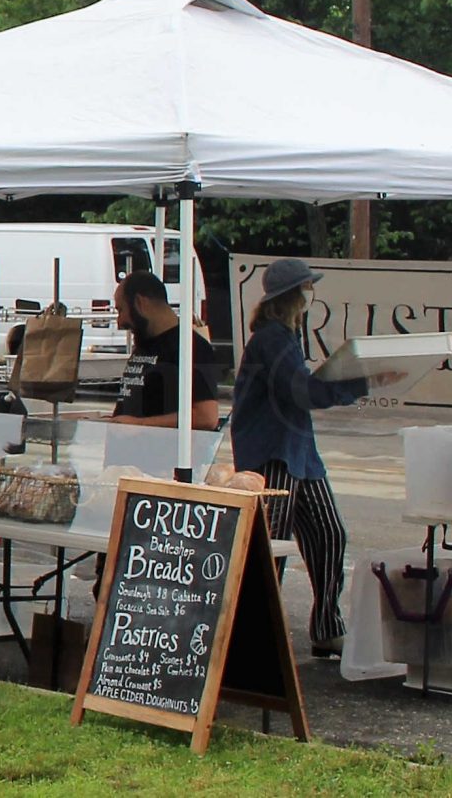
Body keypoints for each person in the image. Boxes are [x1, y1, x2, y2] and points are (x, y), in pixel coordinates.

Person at [230, 257, 374, 659]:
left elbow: (301, 392)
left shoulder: (282, 337)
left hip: (295, 449)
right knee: (268, 547)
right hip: (271, 452)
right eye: (307, 289)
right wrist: (358, 384)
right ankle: (250, 633)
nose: (310, 296)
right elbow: (303, 392)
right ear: (294, 297)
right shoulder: (272, 340)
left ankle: (326, 626)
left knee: (329, 533)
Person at [106, 270, 223, 431]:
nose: (120, 322)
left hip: (162, 453)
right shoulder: (145, 343)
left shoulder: (191, 347)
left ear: (140, 302)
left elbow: (206, 417)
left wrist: (139, 425)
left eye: (121, 310)